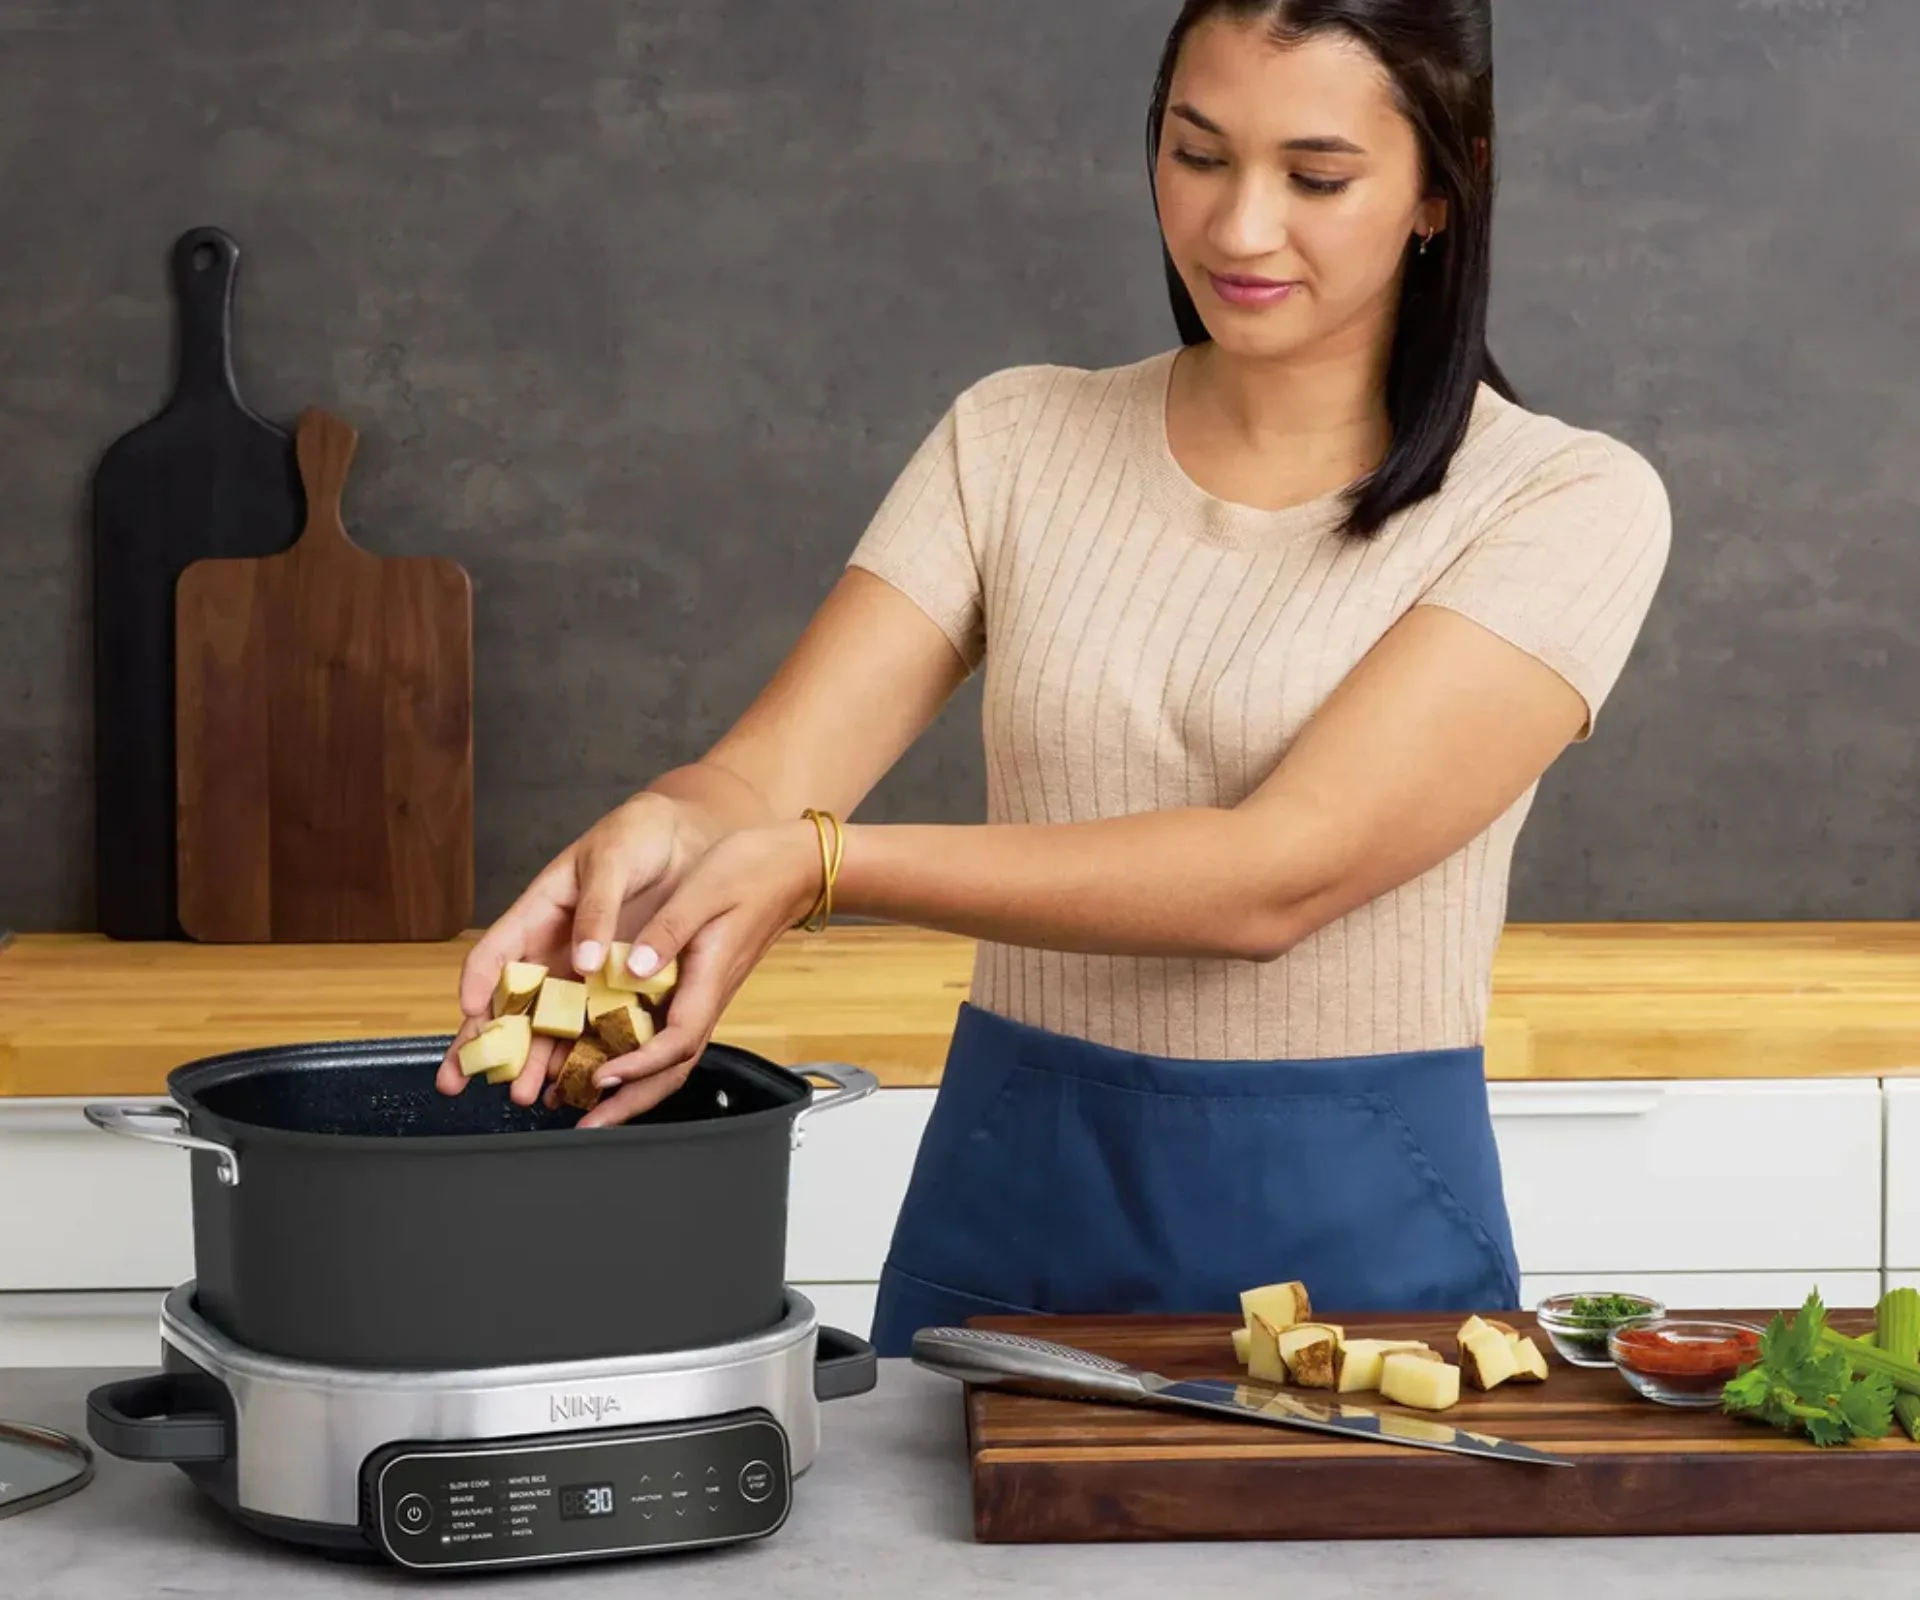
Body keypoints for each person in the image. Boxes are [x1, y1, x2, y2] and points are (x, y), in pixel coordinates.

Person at [437, 0, 1671, 1359]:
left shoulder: (1560, 501)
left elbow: (1277, 876)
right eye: (1198, 155)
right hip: (1012, 1215)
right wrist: (665, 834)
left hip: (1361, 1254)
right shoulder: (1016, 439)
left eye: (1317, 177)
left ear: (1446, 185)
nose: (1239, 227)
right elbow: (767, 777)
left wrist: (827, 865)